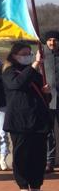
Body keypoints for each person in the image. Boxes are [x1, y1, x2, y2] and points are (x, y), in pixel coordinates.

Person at [1, 41, 52, 191]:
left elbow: (43, 98)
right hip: (19, 122)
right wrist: (35, 64)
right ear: (14, 56)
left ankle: (36, 188)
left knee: (38, 157)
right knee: (22, 156)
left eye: (29, 54)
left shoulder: (34, 73)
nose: (28, 57)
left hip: (37, 121)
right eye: (24, 54)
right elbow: (17, 84)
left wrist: (46, 93)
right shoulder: (9, 71)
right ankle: (23, 189)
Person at [41, 30, 59, 173]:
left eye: (55, 40)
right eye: (49, 40)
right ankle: (49, 161)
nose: (52, 42)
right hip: (47, 99)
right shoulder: (41, 56)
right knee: (49, 133)